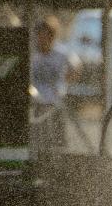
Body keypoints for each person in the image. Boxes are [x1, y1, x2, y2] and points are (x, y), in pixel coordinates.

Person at [29, 16, 80, 158]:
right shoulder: (33, 53)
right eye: (39, 35)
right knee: (38, 137)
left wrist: (65, 81)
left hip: (55, 102)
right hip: (37, 102)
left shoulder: (61, 53)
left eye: (45, 35)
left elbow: (76, 67)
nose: (42, 39)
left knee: (58, 140)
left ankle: (59, 161)